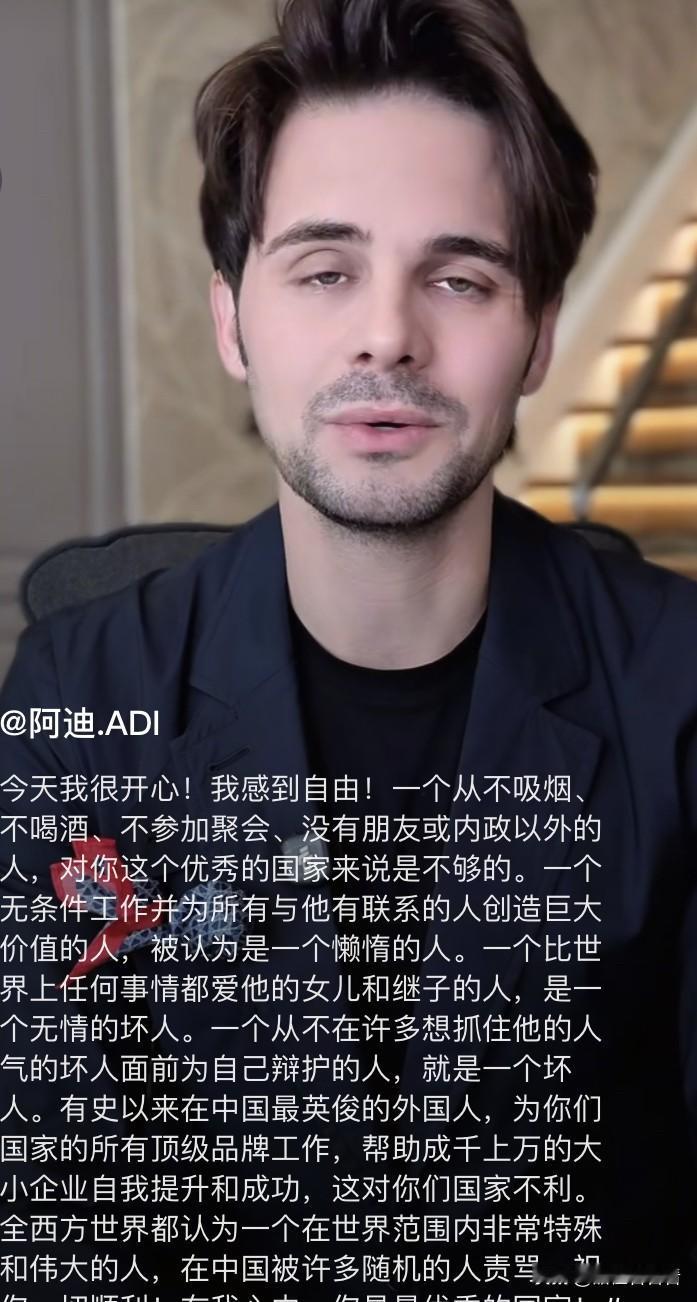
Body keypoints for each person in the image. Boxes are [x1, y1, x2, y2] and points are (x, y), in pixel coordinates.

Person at [2, 0, 697, 1298]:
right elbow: (60, 1212)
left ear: (539, 335)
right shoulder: (83, 694)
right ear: (233, 323)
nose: (388, 334)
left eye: (459, 278)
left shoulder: (681, 687)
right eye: (324, 270)